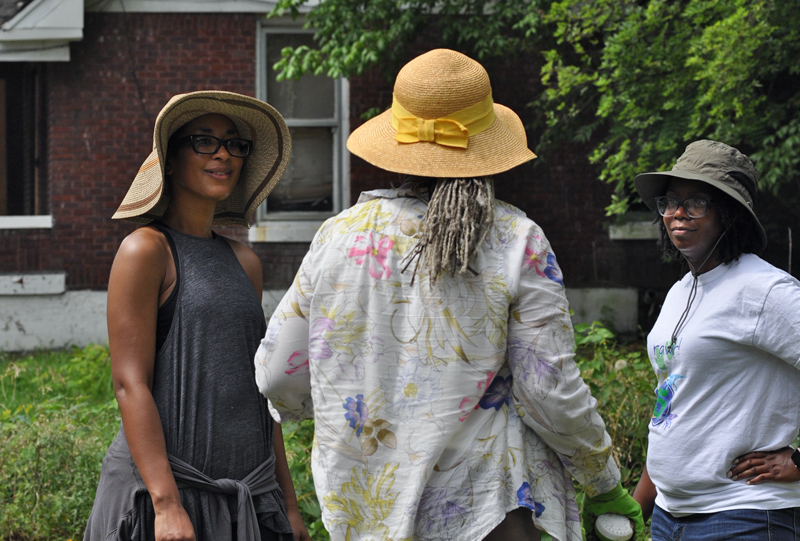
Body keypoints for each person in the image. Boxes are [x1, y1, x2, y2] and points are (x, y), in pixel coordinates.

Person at [253, 49, 643, 541]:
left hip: (367, 510)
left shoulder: (339, 236)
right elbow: (547, 388)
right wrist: (603, 481)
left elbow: (276, 372)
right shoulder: (513, 238)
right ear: (486, 145)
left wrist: (361, 401)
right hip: (485, 512)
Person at [84, 91, 310, 541]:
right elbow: (130, 383)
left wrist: (287, 502)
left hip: (248, 502)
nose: (223, 154)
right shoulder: (146, 250)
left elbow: (258, 391)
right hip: (166, 503)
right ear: (169, 159)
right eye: (204, 141)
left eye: (234, 143)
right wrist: (165, 505)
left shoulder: (245, 262)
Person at [631, 140, 800, 539]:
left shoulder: (765, 290)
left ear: (729, 214)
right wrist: (637, 505)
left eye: (696, 203)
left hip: (744, 516)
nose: (677, 214)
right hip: (670, 518)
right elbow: (672, 406)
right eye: (670, 202)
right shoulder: (680, 293)